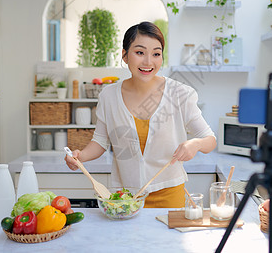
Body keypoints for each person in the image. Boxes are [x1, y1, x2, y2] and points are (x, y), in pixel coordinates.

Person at [65, 21, 216, 208]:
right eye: (139, 52)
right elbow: (100, 142)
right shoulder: (109, 96)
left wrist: (195, 143)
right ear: (125, 55)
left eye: (156, 54)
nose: (148, 62)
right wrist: (80, 157)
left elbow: (210, 140)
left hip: (169, 195)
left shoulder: (180, 94)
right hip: (126, 197)